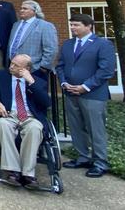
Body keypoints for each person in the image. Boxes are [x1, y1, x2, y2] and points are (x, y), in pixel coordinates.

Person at [56, 13, 116, 178]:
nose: (73, 28)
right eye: (72, 25)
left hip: (93, 94)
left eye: (77, 25)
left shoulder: (103, 44)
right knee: (76, 127)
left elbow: (106, 70)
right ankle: (83, 157)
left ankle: (100, 162)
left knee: (96, 129)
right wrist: (63, 83)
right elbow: (60, 66)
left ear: (89, 26)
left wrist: (85, 86)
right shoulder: (68, 44)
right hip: (70, 92)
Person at [0, 54, 50, 187]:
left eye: (16, 65)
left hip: (29, 116)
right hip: (8, 114)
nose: (11, 66)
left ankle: (28, 173)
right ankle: (13, 171)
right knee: (3, 125)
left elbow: (46, 103)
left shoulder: (37, 82)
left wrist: (31, 82)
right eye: (11, 63)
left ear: (27, 69)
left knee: (35, 129)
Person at [6, 0, 57, 78]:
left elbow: (51, 49)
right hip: (14, 68)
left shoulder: (45, 26)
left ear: (34, 11)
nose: (21, 10)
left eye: (25, 8)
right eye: (21, 8)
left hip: (34, 69)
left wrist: (42, 67)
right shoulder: (16, 25)